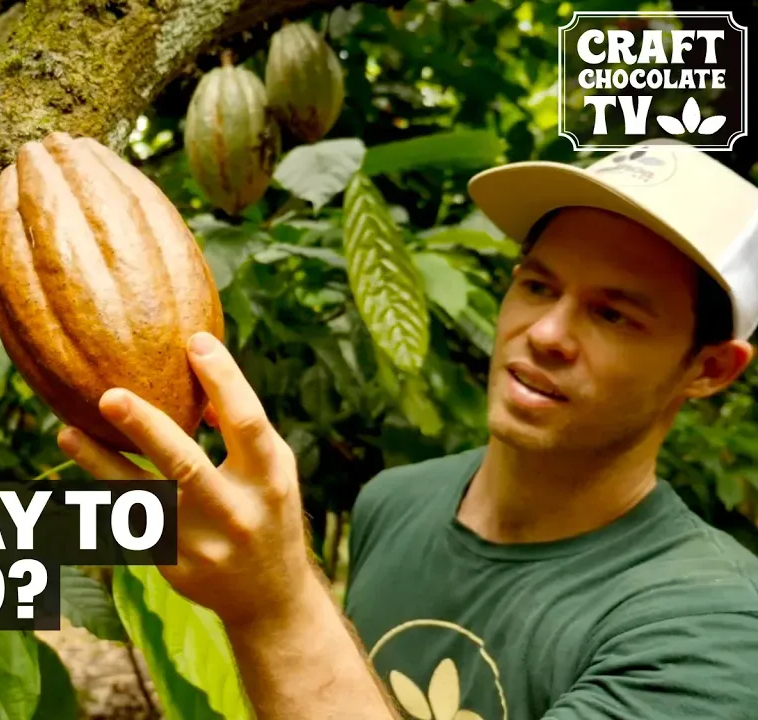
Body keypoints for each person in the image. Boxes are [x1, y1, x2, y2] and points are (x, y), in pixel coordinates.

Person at [54, 138, 758, 719]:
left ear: (711, 369)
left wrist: (275, 604)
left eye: (613, 314)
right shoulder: (397, 501)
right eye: (538, 284)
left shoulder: (715, 628)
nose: (545, 334)